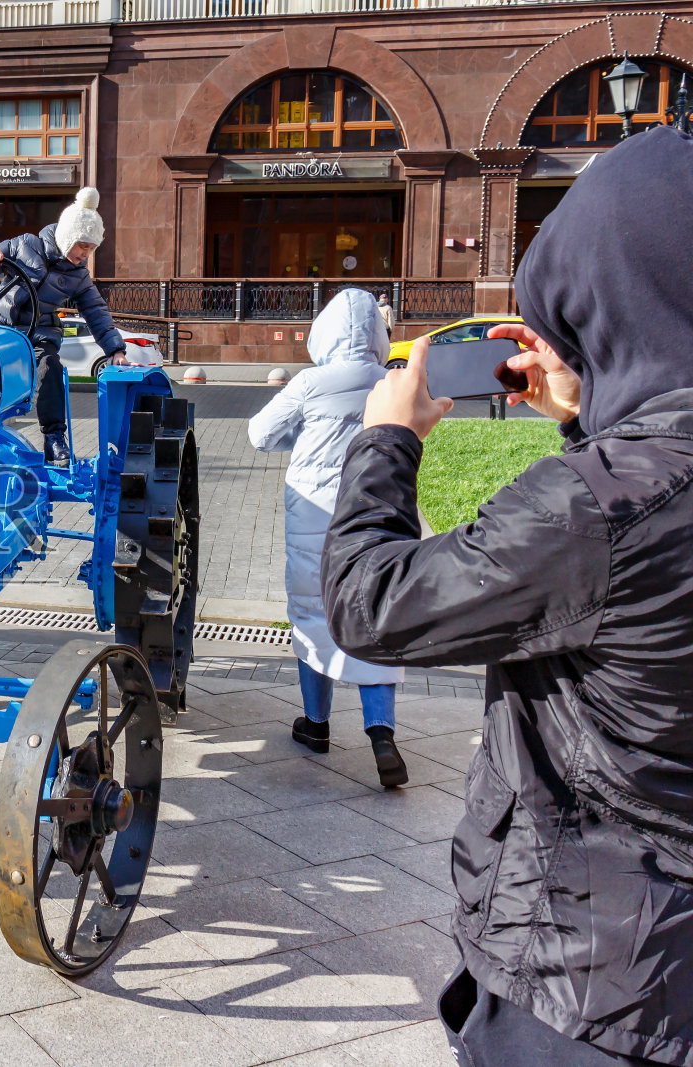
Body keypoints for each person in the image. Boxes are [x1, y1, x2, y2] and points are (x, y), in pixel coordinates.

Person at [321, 126, 693, 1065]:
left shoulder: (594, 505)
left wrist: (387, 439)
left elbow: (372, 602)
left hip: (593, 976)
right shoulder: (629, 484)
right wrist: (591, 415)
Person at [247, 288, 407, 787]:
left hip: (315, 517)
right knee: (377, 611)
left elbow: (259, 434)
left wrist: (303, 435)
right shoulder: (392, 382)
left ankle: (316, 724)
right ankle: (382, 734)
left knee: (313, 611)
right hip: (380, 511)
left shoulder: (310, 383)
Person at [0, 187, 128, 465]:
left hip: (38, 334)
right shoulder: (25, 245)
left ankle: (54, 438)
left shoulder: (78, 276)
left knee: (50, 366)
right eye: (82, 245)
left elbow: (95, 311)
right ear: (68, 236)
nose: (85, 254)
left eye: (91, 248)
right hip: (0, 330)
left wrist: (115, 350)